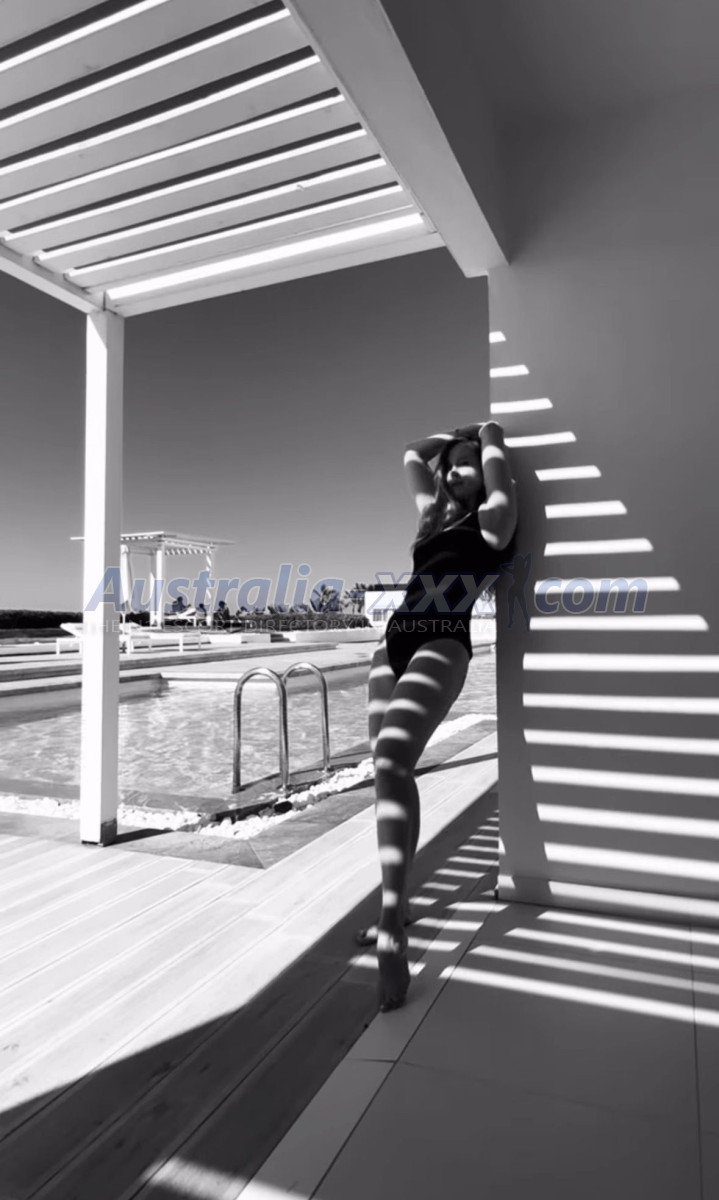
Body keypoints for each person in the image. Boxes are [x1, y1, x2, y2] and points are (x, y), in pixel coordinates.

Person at [363, 419, 517, 1011]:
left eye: (464, 465)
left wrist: (487, 432)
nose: (451, 473)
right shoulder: (434, 516)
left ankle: (391, 925)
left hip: (441, 640)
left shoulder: (492, 519)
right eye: (448, 466)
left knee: (393, 762)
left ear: (487, 472)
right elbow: (411, 452)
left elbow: (489, 455)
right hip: (392, 645)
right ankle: (398, 903)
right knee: (385, 772)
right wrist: (454, 437)